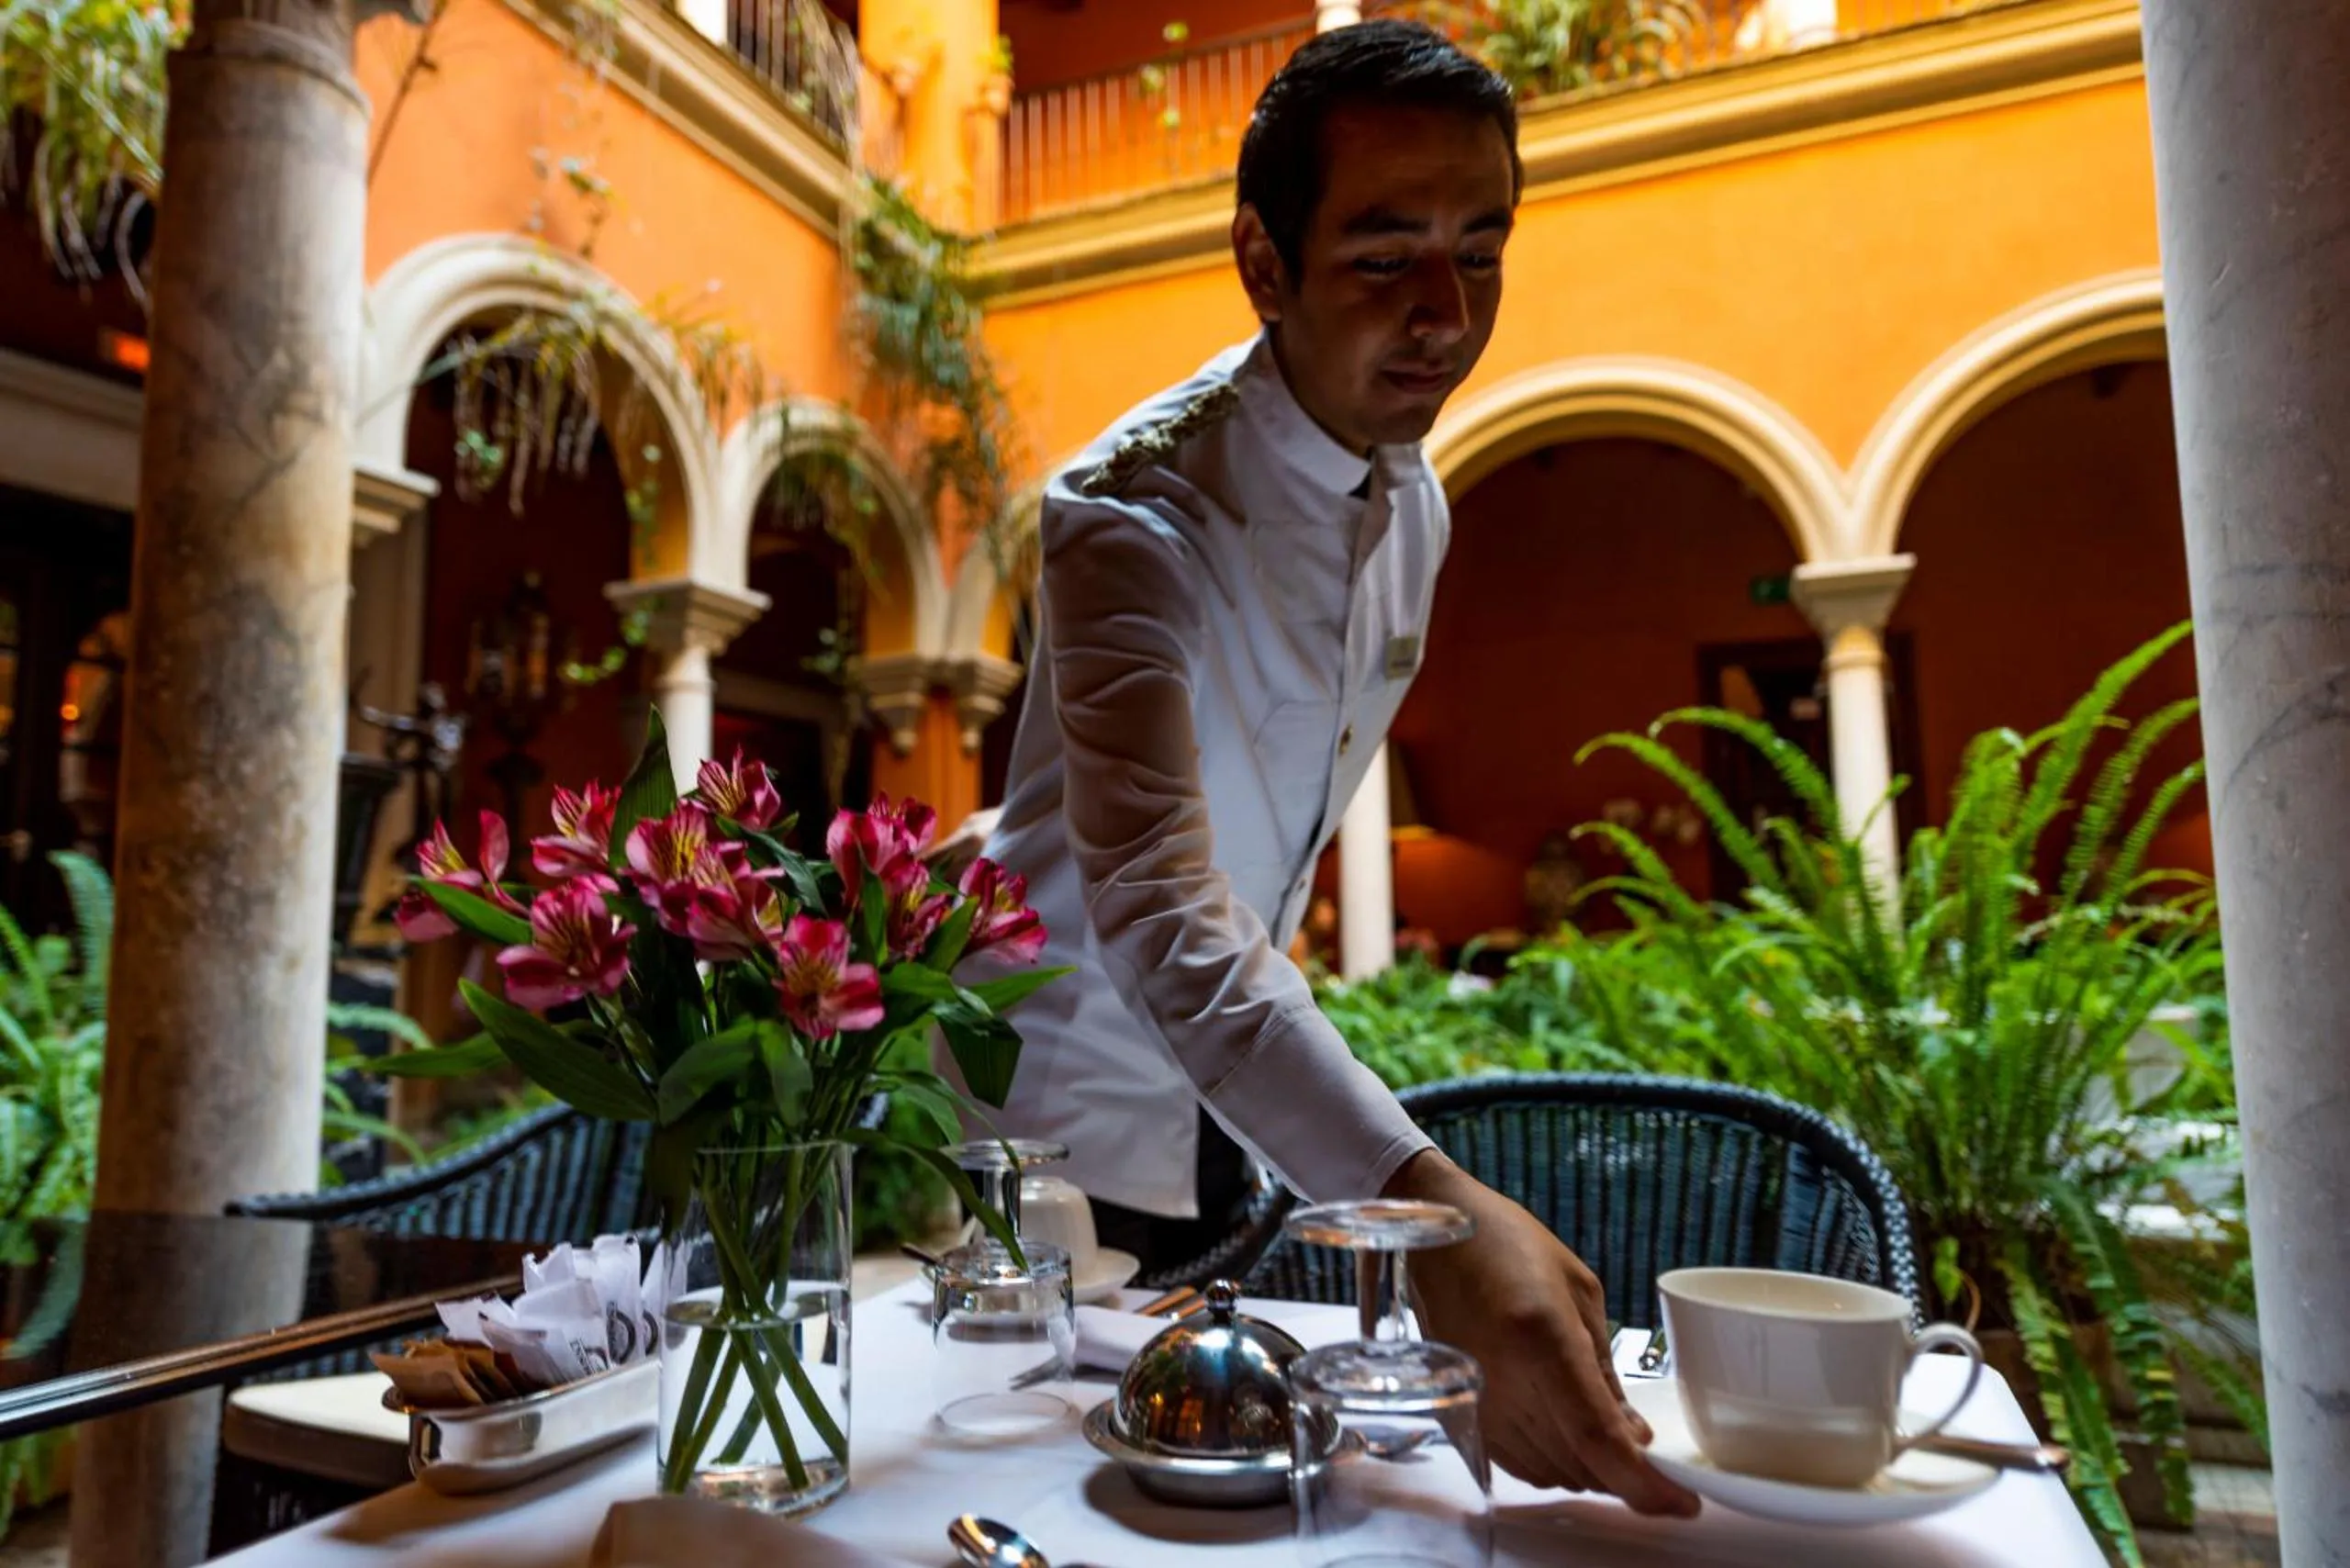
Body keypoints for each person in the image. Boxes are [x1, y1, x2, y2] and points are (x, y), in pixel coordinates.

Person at [971, 20, 1697, 1514]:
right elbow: (1162, 909)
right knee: (1067, 1509)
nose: (1444, 311)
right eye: (1383, 255)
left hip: (1243, 1108)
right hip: (1058, 1121)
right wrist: (1428, 1205)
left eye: (1479, 250)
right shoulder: (1127, 522)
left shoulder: (1415, 500)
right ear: (1264, 260)